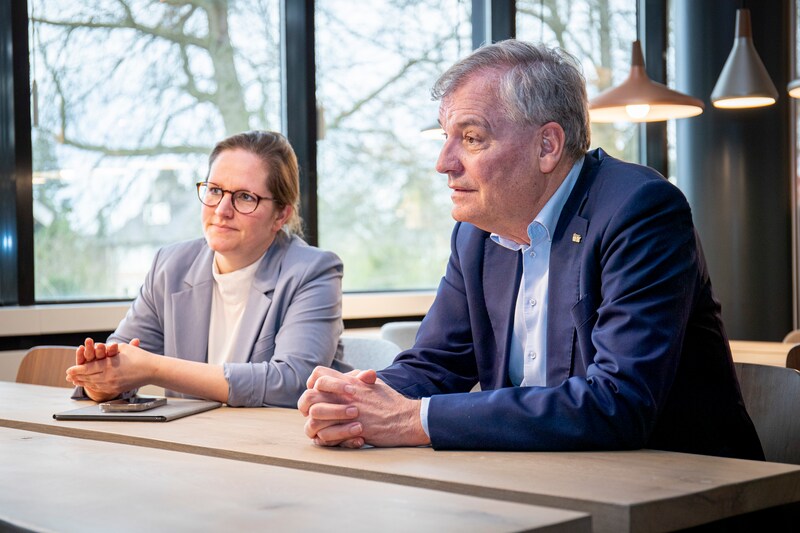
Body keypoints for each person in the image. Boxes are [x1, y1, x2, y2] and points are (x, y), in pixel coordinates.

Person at [298, 40, 764, 459]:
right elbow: (435, 364)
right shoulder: (475, 235)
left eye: (471, 138)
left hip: (688, 487)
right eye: (445, 137)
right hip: (539, 476)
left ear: (547, 145)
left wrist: (412, 420)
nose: (443, 163)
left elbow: (618, 403)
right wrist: (354, 399)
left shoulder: (640, 210)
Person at [66, 130, 348, 408]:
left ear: (281, 214)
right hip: (192, 435)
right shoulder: (171, 266)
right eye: (214, 191)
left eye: (245, 197)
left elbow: (293, 383)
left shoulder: (313, 271)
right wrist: (100, 383)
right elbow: (120, 362)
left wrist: (155, 369)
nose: (222, 210)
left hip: (271, 436)